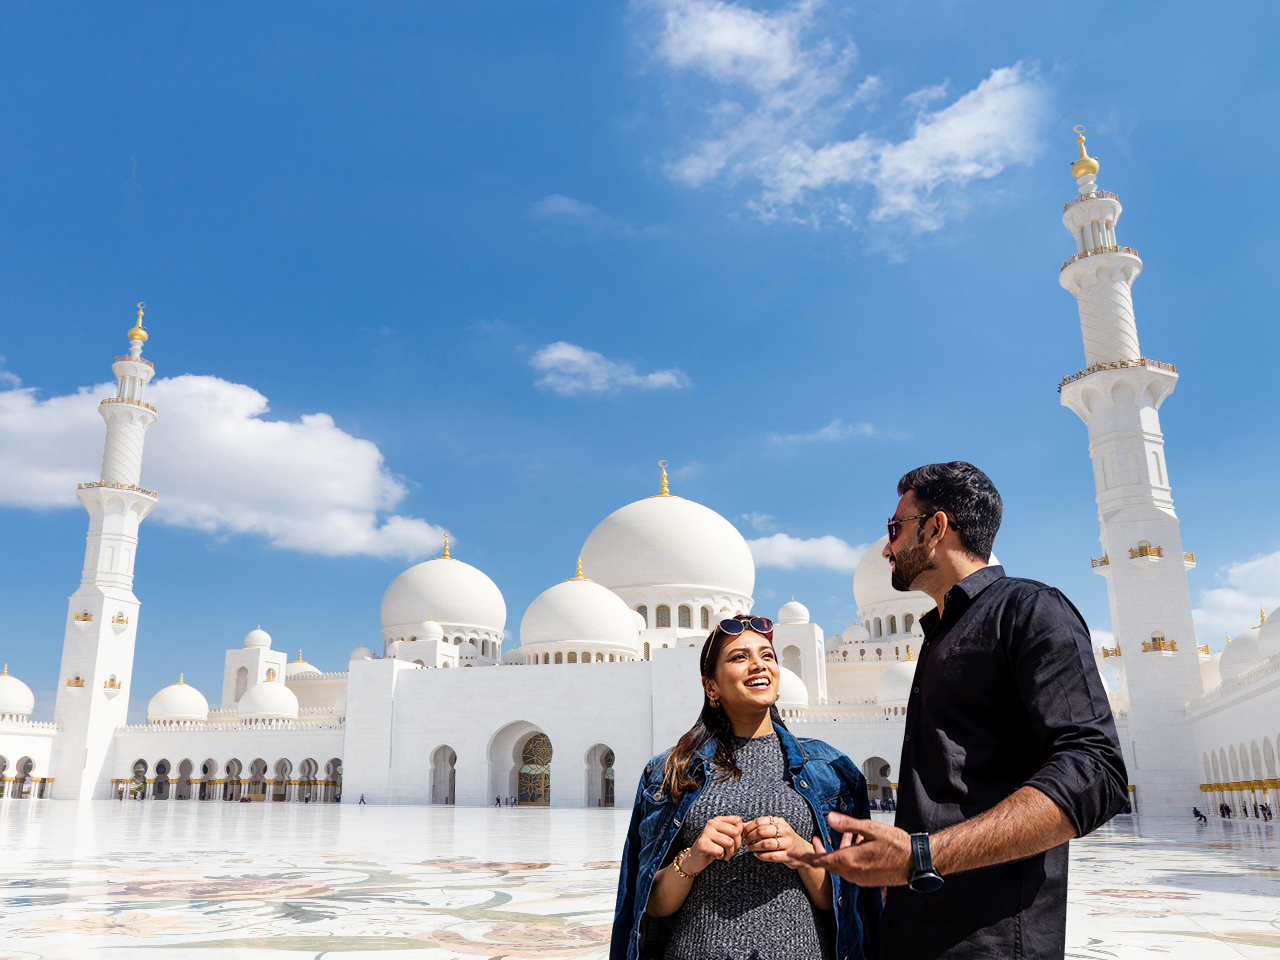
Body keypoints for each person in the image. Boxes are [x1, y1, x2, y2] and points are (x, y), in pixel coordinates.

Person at [795, 462, 1128, 959]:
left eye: (895, 528)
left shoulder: (1028, 611)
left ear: (936, 527)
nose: (887, 547)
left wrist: (921, 857)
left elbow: (1095, 773)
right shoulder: (943, 633)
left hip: (989, 940)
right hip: (918, 931)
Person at [611, 614, 880, 960]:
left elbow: (844, 899)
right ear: (711, 687)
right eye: (739, 657)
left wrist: (800, 853)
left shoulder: (831, 771)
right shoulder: (671, 771)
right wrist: (691, 859)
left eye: (767, 655)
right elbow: (651, 903)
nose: (758, 665)